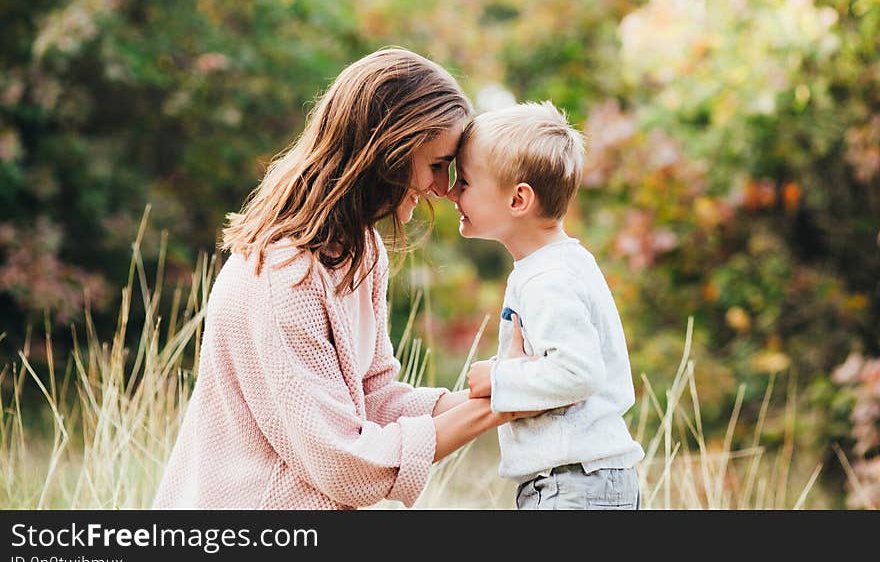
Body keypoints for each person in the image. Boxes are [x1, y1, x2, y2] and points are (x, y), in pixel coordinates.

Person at [152, 47, 535, 510]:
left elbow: (373, 399)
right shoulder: (284, 277)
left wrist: (507, 386)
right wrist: (504, 403)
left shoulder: (359, 252)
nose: (441, 186)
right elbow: (344, 463)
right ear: (388, 149)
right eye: (437, 163)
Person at [451, 101, 645, 510]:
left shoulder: (547, 279)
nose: (452, 192)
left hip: (572, 483)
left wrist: (500, 378)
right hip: (588, 480)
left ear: (518, 200)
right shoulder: (558, 265)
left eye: (465, 183)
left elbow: (578, 371)